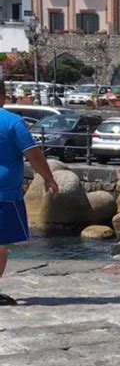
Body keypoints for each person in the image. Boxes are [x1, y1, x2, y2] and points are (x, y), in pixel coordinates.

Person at [0, 80, 59, 306]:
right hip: (4, 193)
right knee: (0, 244)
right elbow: (33, 155)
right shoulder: (13, 122)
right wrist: (49, 178)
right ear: (4, 95)